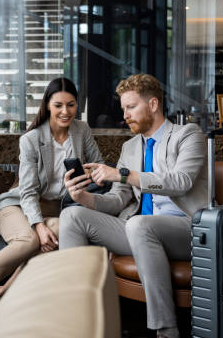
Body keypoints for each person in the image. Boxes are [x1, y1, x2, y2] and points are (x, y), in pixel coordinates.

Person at [0, 77, 103, 324]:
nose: (65, 112)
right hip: (17, 205)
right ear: (47, 105)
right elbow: (27, 191)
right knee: (29, 240)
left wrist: (89, 174)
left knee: (62, 233)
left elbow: (100, 168)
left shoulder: (82, 131)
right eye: (58, 105)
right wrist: (39, 225)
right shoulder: (31, 139)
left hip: (56, 210)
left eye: (71, 105)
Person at [60, 74, 207, 338]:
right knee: (72, 215)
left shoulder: (188, 135)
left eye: (131, 107)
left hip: (187, 230)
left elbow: (181, 181)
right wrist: (82, 197)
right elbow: (118, 199)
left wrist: (123, 174)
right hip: (141, 232)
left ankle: (166, 330)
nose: (125, 114)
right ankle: (76, 322)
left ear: (153, 104)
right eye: (123, 108)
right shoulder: (129, 147)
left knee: (140, 224)